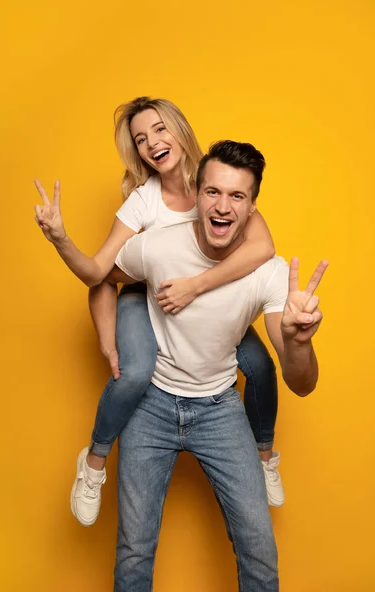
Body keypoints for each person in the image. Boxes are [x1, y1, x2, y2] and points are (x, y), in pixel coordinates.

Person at [34, 97, 282, 528]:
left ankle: (262, 457)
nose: (153, 143)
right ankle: (94, 461)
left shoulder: (217, 178)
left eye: (159, 129)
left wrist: (196, 286)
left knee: (260, 364)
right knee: (131, 372)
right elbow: (98, 272)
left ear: (180, 129)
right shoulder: (143, 201)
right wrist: (61, 240)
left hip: (205, 298)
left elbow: (263, 248)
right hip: (147, 296)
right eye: (141, 139)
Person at [109, 140, 327, 591]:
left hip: (219, 409)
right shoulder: (155, 247)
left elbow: (301, 383)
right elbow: (103, 276)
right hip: (149, 406)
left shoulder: (269, 273)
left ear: (252, 209)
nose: (222, 206)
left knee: (259, 552)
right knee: (133, 551)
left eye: (237, 196)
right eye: (212, 192)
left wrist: (297, 341)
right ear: (197, 194)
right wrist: (113, 335)